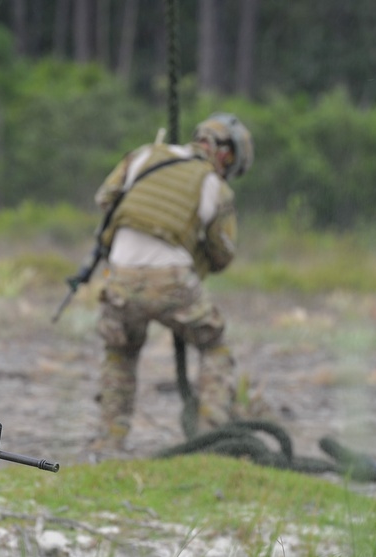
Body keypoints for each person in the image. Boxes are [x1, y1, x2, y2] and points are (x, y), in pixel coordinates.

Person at [91, 113, 254, 452]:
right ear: (224, 153)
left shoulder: (145, 156)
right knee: (213, 345)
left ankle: (110, 442)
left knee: (120, 351)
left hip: (120, 272)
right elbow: (223, 253)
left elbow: (106, 198)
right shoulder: (214, 185)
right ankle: (212, 434)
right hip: (172, 280)